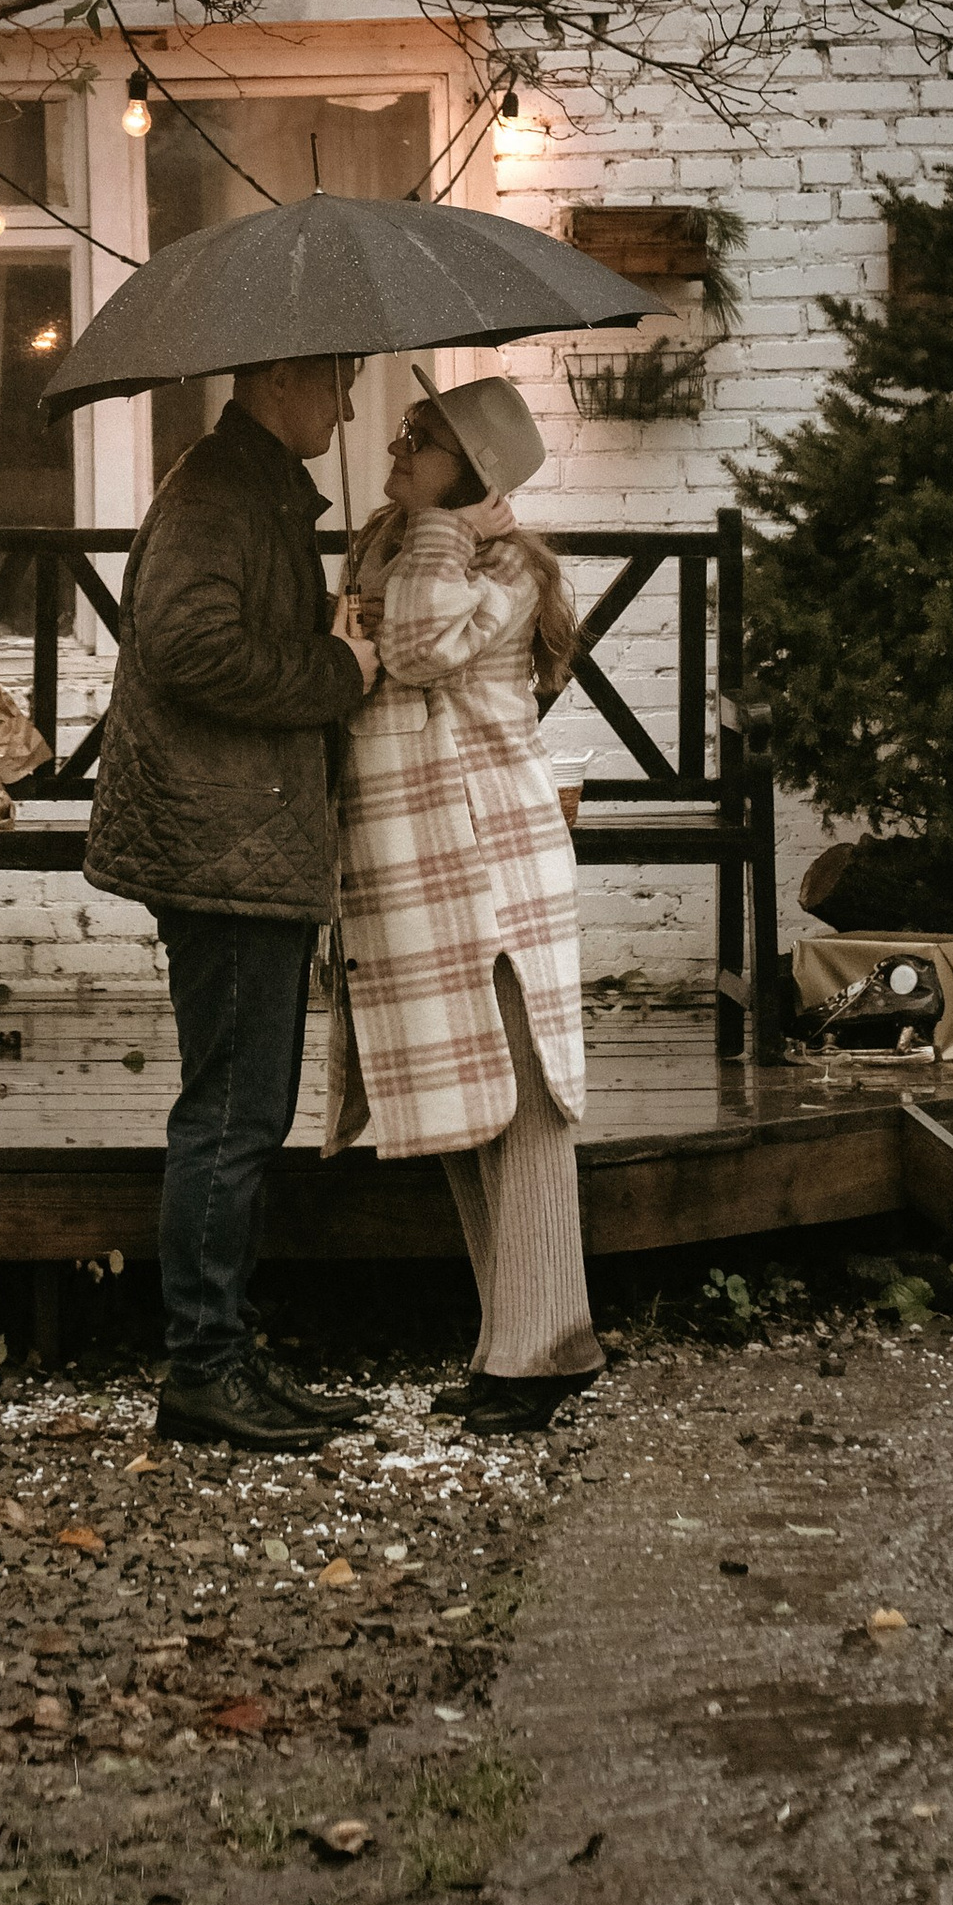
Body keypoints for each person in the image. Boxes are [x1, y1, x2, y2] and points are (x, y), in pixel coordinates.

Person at [86, 355, 382, 1449]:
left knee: (242, 1109)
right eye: (337, 384)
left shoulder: (249, 488)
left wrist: (322, 631)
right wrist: (336, 668)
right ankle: (201, 1368)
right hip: (222, 846)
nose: (348, 406)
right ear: (281, 378)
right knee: (229, 1114)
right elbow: (186, 645)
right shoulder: (218, 490)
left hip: (241, 838)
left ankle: (223, 1353)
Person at [324, 367, 605, 1435]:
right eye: (403, 431)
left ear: (473, 475)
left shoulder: (502, 567)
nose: (396, 446)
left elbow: (413, 648)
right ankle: (509, 1341)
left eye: (422, 439)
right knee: (457, 1105)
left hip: (488, 864)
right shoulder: (392, 546)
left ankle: (544, 1351)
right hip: (411, 867)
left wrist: (437, 533)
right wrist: (415, 533)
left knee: (520, 1106)